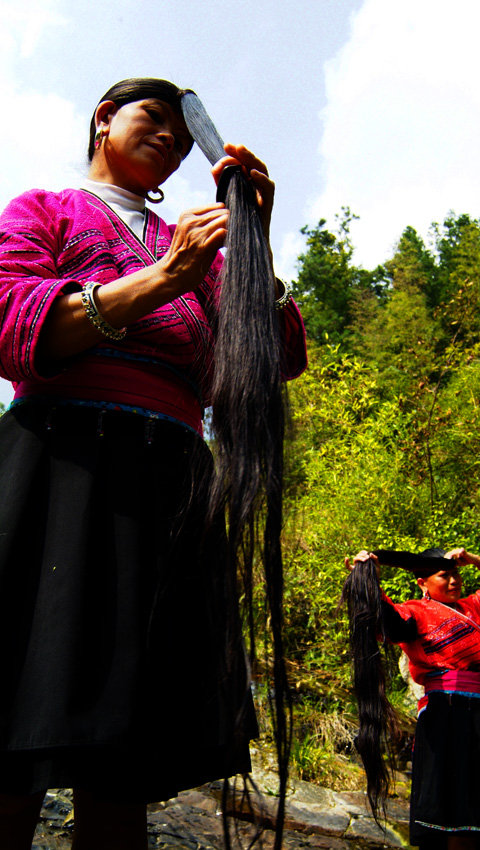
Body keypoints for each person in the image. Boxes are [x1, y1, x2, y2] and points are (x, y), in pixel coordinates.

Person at [0, 78, 307, 850]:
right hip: (60, 469)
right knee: (12, 726)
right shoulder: (44, 209)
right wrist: (165, 276)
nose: (170, 135)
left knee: (125, 748)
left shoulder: (201, 249)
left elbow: (271, 360)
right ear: (104, 120)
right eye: (152, 117)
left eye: (180, 128)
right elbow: (12, 325)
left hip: (169, 493)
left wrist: (251, 245)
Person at [344, 546, 480, 850]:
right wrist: (368, 574)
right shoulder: (414, 612)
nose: (453, 580)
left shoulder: (475, 607)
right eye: (443, 575)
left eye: (456, 574)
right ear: (422, 582)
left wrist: (473, 559)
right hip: (449, 718)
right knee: (461, 820)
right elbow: (384, 618)